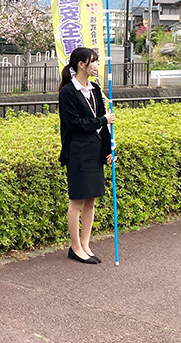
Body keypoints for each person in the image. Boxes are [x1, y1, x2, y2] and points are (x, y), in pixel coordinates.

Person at [58, 47, 115, 265]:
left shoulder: (95, 89)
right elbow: (74, 124)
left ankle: (86, 244)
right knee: (77, 201)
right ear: (81, 64)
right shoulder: (68, 92)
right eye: (94, 62)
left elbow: (104, 124)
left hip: (94, 149)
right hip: (78, 151)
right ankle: (75, 247)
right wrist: (103, 120)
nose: (97, 66)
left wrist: (109, 150)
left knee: (91, 200)